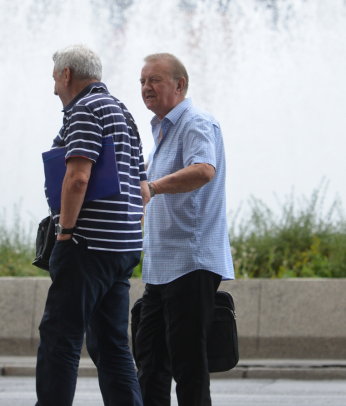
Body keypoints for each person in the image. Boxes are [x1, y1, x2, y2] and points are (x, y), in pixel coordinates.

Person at [35, 44, 148, 406]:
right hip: (123, 247)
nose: (54, 88)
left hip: (87, 246)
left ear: (67, 75)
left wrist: (65, 233)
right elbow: (143, 189)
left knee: (60, 338)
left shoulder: (84, 110)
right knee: (112, 345)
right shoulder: (123, 113)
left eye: (55, 79)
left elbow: (78, 178)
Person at [134, 52, 235, 406]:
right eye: (142, 81)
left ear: (180, 85)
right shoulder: (163, 130)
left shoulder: (195, 122)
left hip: (191, 264)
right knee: (149, 363)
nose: (146, 87)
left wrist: (153, 186)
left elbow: (204, 169)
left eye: (154, 80)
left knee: (188, 367)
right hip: (161, 268)